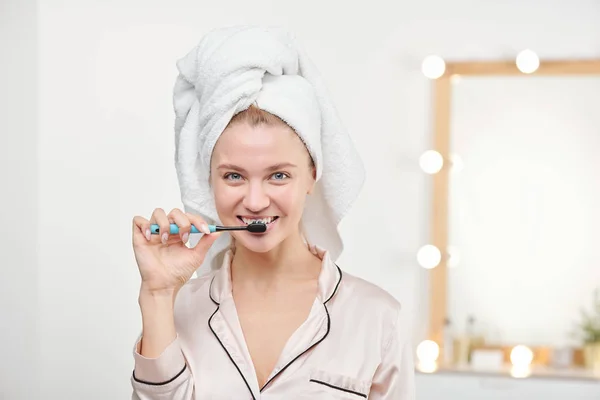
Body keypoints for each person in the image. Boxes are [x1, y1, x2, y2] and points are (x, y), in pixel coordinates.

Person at [130, 26, 415, 399]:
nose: (255, 201)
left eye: (278, 175)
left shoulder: (377, 319)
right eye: (233, 176)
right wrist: (157, 294)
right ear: (209, 180)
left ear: (313, 175)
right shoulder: (175, 307)